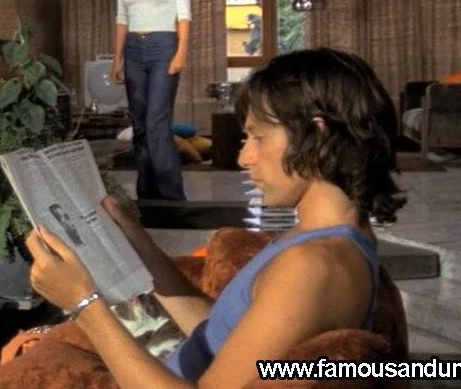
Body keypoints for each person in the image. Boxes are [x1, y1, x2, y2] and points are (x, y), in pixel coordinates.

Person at [27, 48, 405, 388]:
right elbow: (224, 335)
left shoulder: (314, 266)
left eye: (258, 138)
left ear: (317, 136)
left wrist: (82, 304)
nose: (244, 158)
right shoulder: (318, 239)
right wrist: (137, 240)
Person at [111, 0, 192, 200]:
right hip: (133, 50)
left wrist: (181, 53)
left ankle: (173, 197)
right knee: (140, 125)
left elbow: (184, 14)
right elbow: (122, 17)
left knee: (157, 122)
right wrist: (117, 58)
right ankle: (147, 195)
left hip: (163, 47)